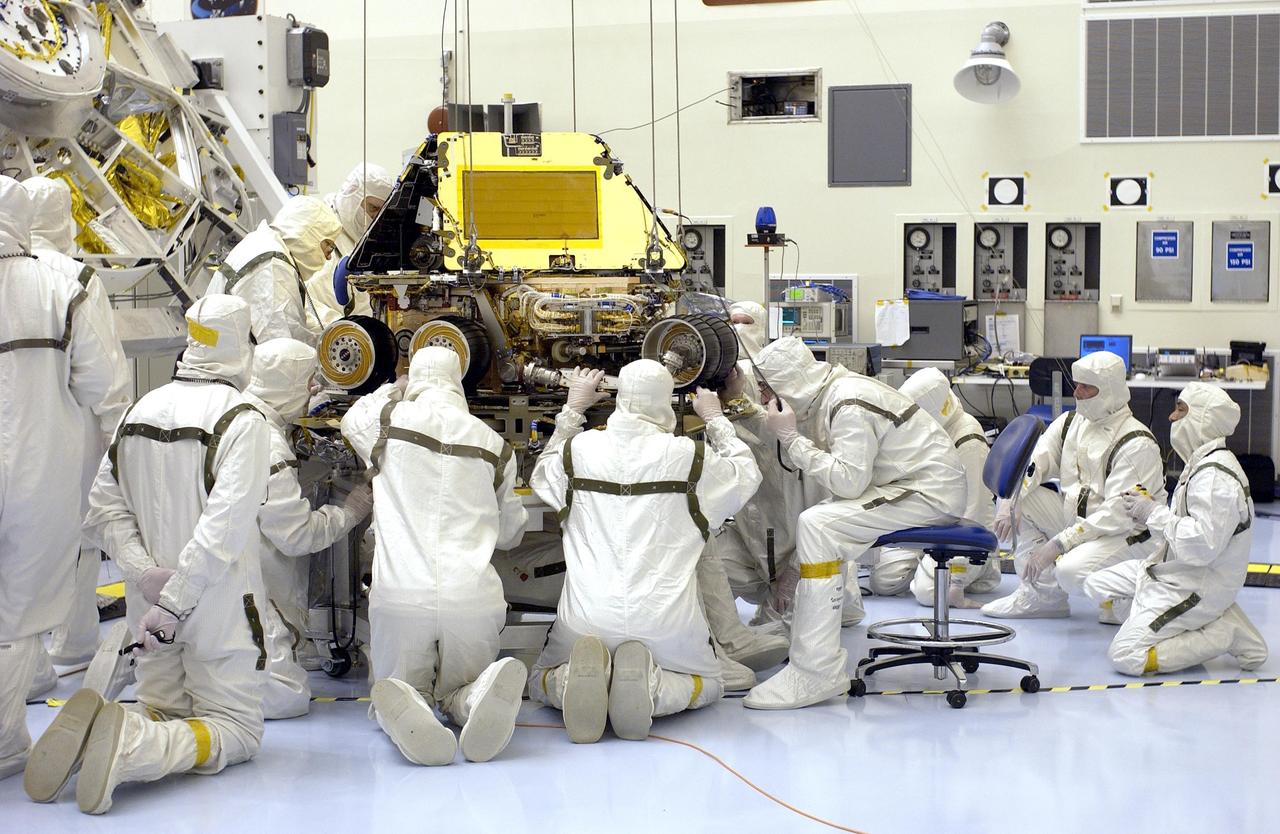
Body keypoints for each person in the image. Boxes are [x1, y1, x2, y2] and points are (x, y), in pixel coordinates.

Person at [24, 295, 270, 813]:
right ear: (239, 343)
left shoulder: (141, 408)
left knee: (164, 705)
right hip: (214, 611)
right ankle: (135, 748)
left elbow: (102, 512)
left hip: (147, 610)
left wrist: (144, 577)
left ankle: (113, 731)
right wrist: (176, 602)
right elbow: (219, 532)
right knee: (238, 730)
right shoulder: (244, 420)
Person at [528, 362, 761, 742]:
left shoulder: (577, 450)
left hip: (586, 621)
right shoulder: (691, 457)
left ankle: (570, 680)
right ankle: (652, 687)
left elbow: (542, 474)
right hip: (666, 623)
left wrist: (573, 410)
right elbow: (746, 475)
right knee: (716, 681)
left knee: (538, 679)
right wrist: (716, 418)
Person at [742, 337, 967, 710]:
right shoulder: (833, 393)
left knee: (819, 525)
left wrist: (791, 438)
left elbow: (849, 482)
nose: (764, 397)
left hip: (927, 493)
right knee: (823, 523)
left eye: (766, 389)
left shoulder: (847, 403)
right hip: (909, 484)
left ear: (787, 385)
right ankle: (815, 655)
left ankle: (816, 671)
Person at [342, 346, 529, 765]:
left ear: (416, 378)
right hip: (473, 599)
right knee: (461, 685)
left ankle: (415, 709)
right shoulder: (495, 445)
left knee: (393, 693)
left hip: (401, 596)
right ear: (458, 381)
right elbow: (511, 534)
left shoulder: (388, 421)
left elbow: (351, 419)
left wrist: (396, 388)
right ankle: (473, 699)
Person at [0, 176, 122, 781]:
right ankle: (4, 744)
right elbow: (107, 388)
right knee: (22, 608)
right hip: (44, 469)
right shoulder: (64, 285)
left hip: (38, 465)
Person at [20, 177, 133, 683]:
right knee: (78, 541)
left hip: (18, 439)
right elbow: (103, 379)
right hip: (66, 438)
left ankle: (23, 663)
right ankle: (71, 645)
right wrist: (117, 438)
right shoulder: (74, 279)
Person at [1084, 383, 1268, 674]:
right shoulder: (1200, 463)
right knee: (1094, 583)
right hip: (1174, 571)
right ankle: (1204, 619)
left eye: (1181, 410)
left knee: (1126, 655)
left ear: (1203, 420)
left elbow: (1202, 546)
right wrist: (1146, 513)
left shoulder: (1214, 479)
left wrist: (1154, 513)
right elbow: (1181, 528)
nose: (1172, 417)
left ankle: (1223, 631)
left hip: (1197, 585)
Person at [243, 338, 373, 719]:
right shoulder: (267, 442)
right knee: (289, 699)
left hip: (231, 579)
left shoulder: (244, 415)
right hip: (254, 587)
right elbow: (297, 536)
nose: (315, 389)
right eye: (309, 382)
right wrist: (350, 512)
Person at [982, 351, 1165, 620]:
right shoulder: (1072, 423)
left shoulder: (1136, 443)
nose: (1077, 392)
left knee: (1069, 571)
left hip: (1127, 535)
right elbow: (1035, 462)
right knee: (1016, 497)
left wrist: (1059, 544)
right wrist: (1011, 500)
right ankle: (1041, 597)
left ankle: (1131, 595)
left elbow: (1117, 516)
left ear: (1109, 391)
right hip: (1079, 522)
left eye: (1087, 387)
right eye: (1077, 384)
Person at [886, 368, 1001, 608]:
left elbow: (975, 512)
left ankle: (984, 569)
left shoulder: (968, 442)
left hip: (961, 533)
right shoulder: (933, 432)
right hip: (930, 519)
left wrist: (956, 578)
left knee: (929, 594)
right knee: (885, 581)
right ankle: (926, 563)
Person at [205, 195, 343, 345]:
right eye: (327, 245)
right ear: (307, 234)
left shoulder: (266, 245)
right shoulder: (271, 266)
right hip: (229, 363)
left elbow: (291, 317)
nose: (329, 257)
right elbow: (279, 346)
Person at [306, 162, 395, 326]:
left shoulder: (362, 240)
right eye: (373, 208)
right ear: (353, 196)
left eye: (382, 212)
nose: (376, 218)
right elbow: (307, 305)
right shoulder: (317, 229)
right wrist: (343, 329)